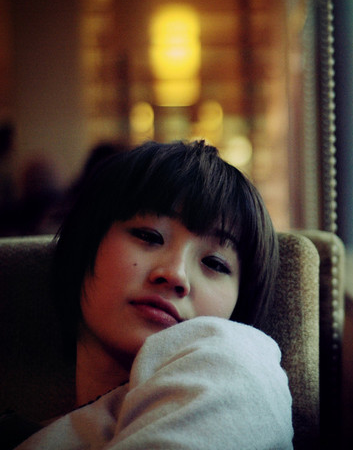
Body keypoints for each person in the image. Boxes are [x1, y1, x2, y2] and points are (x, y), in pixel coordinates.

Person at [14, 140, 293, 449]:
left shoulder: (239, 361)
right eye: (149, 236)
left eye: (215, 263)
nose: (175, 274)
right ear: (83, 245)